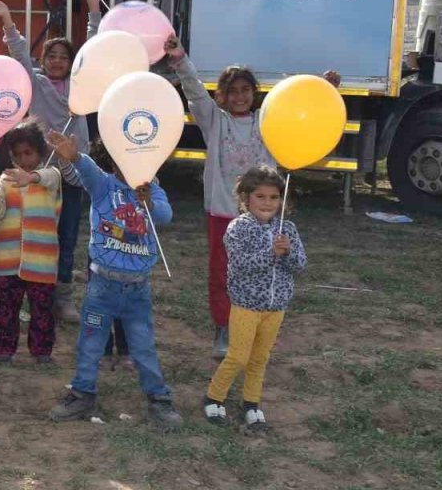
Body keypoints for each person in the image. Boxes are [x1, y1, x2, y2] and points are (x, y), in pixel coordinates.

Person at [168, 38, 337, 358]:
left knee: (262, 268)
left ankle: (256, 327)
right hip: (222, 212)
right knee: (222, 271)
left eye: (246, 90)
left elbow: (302, 109)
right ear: (223, 95)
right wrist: (180, 59)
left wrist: (325, 88)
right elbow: (193, 91)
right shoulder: (214, 121)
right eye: (233, 91)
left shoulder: (266, 121)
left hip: (262, 217)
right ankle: (223, 329)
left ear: (254, 93)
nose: (240, 96)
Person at [0, 0, 100, 323]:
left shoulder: (82, 88)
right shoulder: (36, 85)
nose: (57, 61)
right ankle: (27, 294)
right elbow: (19, 54)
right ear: (44, 63)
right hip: (38, 178)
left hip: (72, 176)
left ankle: (60, 298)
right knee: (31, 235)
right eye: (51, 56)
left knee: (66, 238)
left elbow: (93, 49)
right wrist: (6, 20)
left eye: (64, 56)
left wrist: (93, 12)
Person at [47, 131, 182, 427]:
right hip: (102, 288)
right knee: (90, 342)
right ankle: (82, 393)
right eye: (125, 157)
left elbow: (164, 216)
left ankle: (159, 399)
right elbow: (87, 170)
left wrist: (148, 202)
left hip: (137, 290)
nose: (131, 164)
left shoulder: (153, 191)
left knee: (143, 345)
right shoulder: (104, 185)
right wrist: (74, 156)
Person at [203, 166, 307, 432]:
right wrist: (272, 253)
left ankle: (251, 404)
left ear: (282, 200)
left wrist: (288, 253)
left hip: (276, 306)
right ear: (246, 198)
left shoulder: (288, 229)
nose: (267, 203)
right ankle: (214, 397)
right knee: (238, 356)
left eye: (274, 197)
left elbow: (300, 265)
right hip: (246, 305)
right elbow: (241, 264)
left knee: (260, 357)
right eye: (260, 196)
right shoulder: (238, 228)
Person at [0, 120, 66, 364]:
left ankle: (42, 352)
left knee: (42, 310)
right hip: (9, 260)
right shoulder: (5, 180)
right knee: (6, 309)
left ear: (41, 153)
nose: (23, 159)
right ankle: (4, 350)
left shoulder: (51, 177)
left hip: (41, 261)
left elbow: (47, 177)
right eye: (17, 154)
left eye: (28, 153)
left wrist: (30, 177)